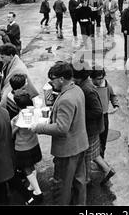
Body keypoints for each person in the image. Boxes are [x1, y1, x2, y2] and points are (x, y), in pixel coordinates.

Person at [30, 62, 88, 205]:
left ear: (62, 79)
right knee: (79, 181)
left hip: (67, 150)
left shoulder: (66, 99)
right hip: (80, 145)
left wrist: (39, 127)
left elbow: (62, 129)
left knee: (62, 186)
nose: (50, 83)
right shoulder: (77, 90)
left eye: (52, 79)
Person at [72, 66, 115, 186]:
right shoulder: (86, 85)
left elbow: (97, 111)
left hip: (91, 128)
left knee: (87, 152)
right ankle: (105, 170)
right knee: (92, 152)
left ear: (78, 77)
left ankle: (88, 178)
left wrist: (80, 113)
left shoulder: (87, 89)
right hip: (93, 127)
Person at [11, 90, 43, 205]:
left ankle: (38, 192)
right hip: (34, 144)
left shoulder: (18, 118)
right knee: (32, 166)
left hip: (23, 148)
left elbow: (12, 133)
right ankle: (31, 186)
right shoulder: (34, 112)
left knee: (27, 169)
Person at [90, 67, 119, 158]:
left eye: (102, 78)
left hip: (103, 116)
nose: (101, 81)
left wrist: (116, 105)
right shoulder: (89, 87)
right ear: (92, 78)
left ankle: (101, 156)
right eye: (98, 79)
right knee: (93, 139)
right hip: (92, 117)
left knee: (103, 138)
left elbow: (112, 96)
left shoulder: (106, 84)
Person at [0, 44, 38, 108]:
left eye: (2, 57)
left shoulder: (18, 69)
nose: (0, 60)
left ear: (11, 56)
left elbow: (8, 89)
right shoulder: (9, 62)